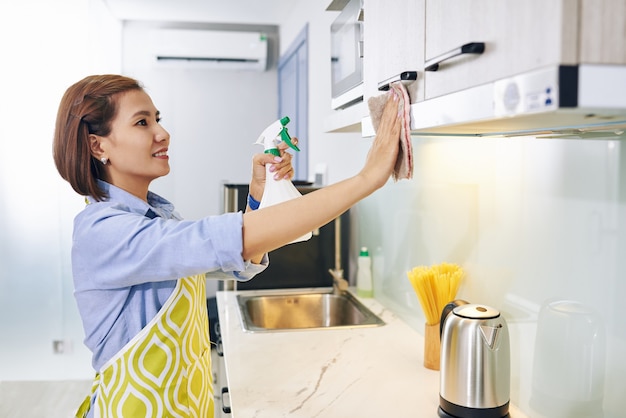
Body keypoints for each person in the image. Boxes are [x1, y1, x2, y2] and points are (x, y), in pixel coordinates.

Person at [53, 74, 400, 418]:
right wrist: (367, 178)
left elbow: (236, 259)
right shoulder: (102, 231)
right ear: (98, 146)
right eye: (142, 122)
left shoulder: (155, 216)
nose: (162, 133)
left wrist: (260, 194)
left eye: (158, 119)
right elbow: (224, 239)